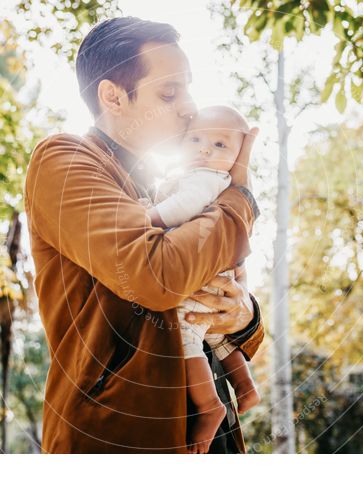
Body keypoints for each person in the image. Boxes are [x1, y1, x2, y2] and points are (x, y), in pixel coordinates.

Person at [24, 16, 265, 453]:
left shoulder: (165, 190)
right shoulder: (65, 161)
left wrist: (245, 316)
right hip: (118, 442)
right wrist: (241, 197)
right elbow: (155, 276)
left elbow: (211, 287)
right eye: (169, 93)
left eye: (188, 89)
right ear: (113, 96)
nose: (189, 106)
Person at [141, 105, 261, 453]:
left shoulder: (205, 179)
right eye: (195, 139)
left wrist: (145, 219)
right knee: (217, 335)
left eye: (220, 145)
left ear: (238, 157)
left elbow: (181, 208)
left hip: (199, 282)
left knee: (186, 336)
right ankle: (245, 384)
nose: (205, 150)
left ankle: (210, 406)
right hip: (213, 277)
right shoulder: (217, 183)